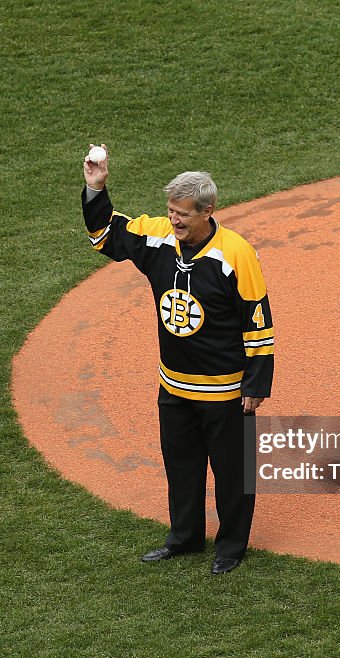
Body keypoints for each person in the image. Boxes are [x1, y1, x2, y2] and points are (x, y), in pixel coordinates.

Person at [81, 145, 274, 575]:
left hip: (226, 391)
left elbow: (257, 320)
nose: (173, 220)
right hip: (175, 386)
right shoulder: (160, 240)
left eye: (182, 213)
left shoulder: (236, 254)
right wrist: (97, 187)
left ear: (208, 211)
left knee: (232, 473)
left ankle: (231, 547)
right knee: (181, 465)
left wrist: (257, 385)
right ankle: (185, 538)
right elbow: (107, 235)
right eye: (170, 211)